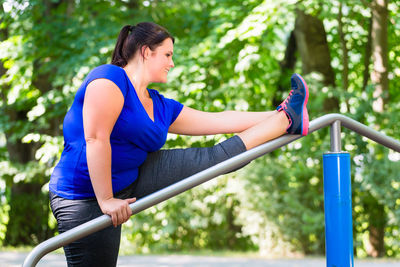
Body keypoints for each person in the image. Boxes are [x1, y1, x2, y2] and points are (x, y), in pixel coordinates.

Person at [49, 22, 309, 266]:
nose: (172, 63)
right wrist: (106, 200)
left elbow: (219, 120)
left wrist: (281, 110)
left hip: (131, 177)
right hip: (84, 197)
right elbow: (96, 138)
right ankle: (286, 119)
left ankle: (286, 118)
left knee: (213, 161)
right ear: (146, 52)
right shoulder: (109, 79)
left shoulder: (160, 105)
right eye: (167, 55)